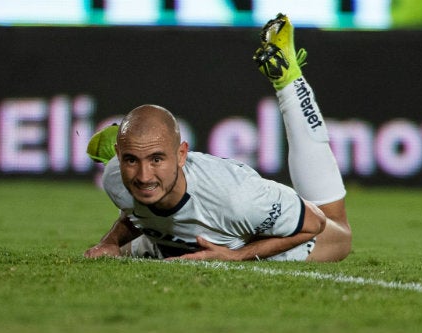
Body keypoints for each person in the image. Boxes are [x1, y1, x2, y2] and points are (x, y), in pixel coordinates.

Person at [84, 13, 352, 262]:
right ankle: (135, 141)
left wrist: (236, 256)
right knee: (132, 237)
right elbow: (134, 212)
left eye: (156, 158)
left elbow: (314, 222)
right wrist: (110, 241)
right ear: (119, 158)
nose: (143, 175)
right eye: (131, 159)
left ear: (181, 154)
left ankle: (289, 81)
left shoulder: (238, 198)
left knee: (338, 234)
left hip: (244, 234)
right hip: (172, 240)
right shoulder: (115, 177)